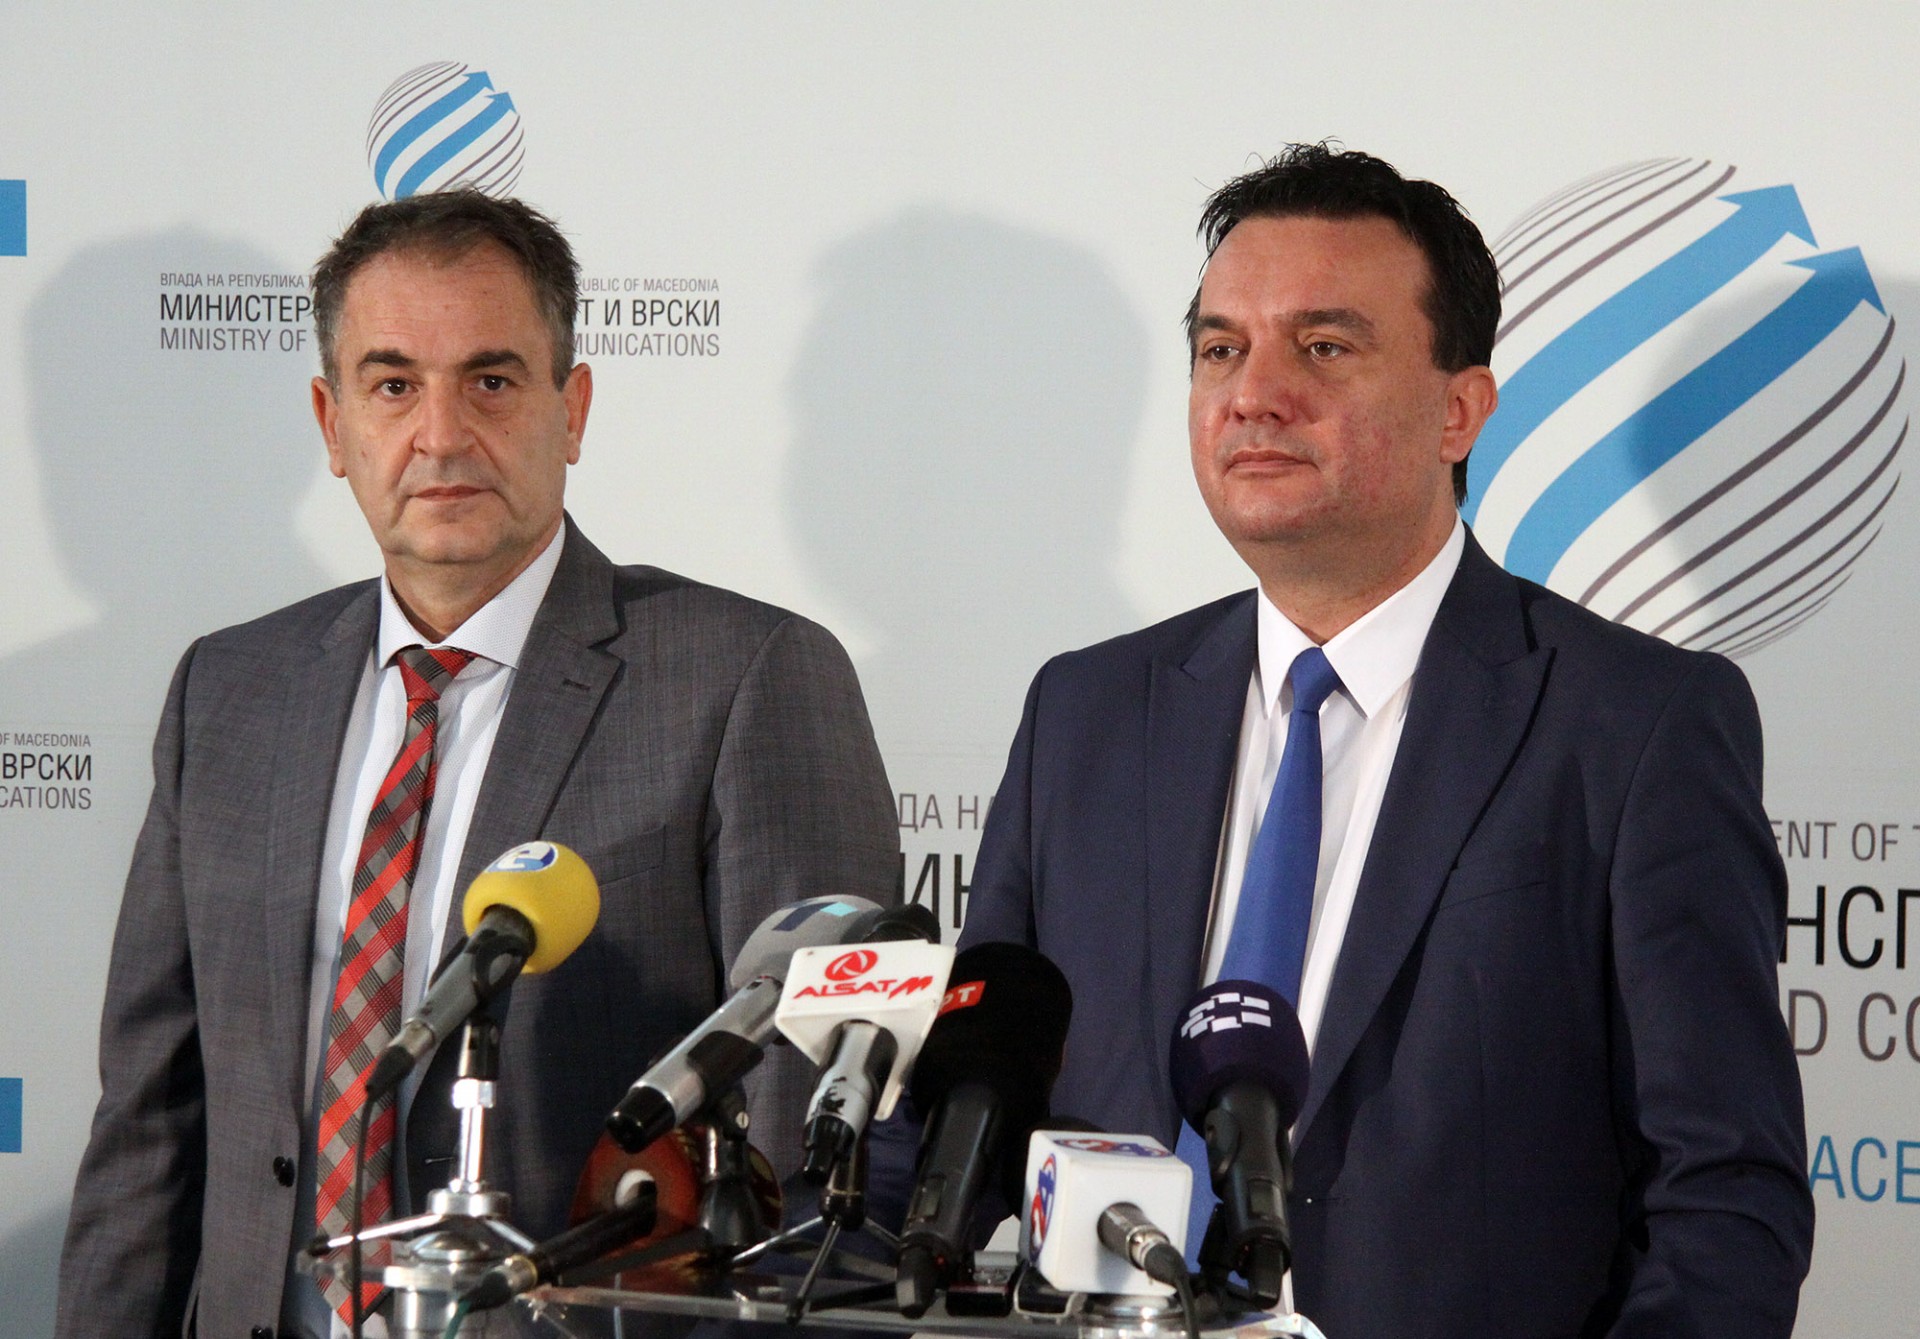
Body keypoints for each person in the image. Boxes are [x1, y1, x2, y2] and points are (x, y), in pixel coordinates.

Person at [958, 145, 1813, 1337]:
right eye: (1221, 349)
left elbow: (1723, 1193)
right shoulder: (1086, 713)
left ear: (1461, 410)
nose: (1254, 394)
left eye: (1322, 348)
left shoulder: (1634, 726)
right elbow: (961, 1117)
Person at [55, 191, 898, 1339]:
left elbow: (815, 1158)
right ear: (332, 423)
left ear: (572, 409)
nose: (442, 435)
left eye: (491, 381)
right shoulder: (230, 691)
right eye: (394, 385)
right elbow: (149, 1127)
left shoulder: (747, 678)